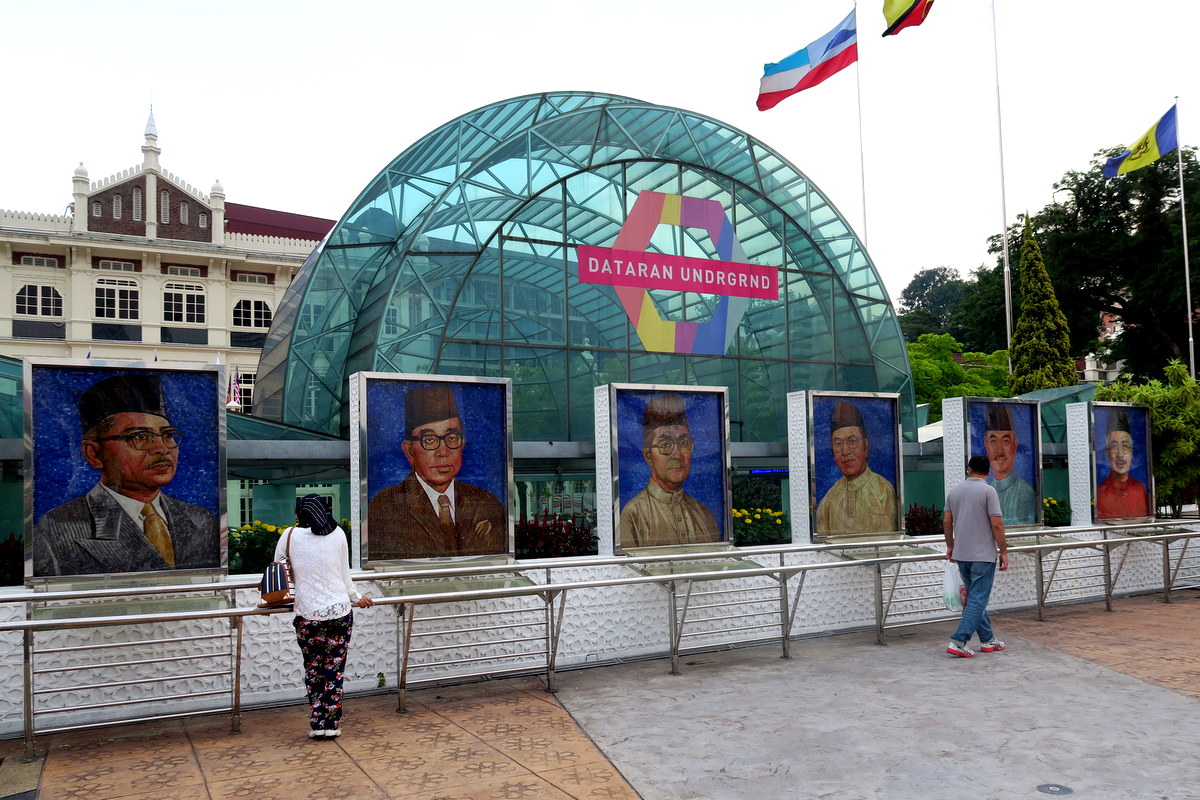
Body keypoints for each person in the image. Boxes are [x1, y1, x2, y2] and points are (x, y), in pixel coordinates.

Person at [33, 373, 219, 577]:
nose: (162, 448)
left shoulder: (200, 519)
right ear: (94, 454)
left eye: (167, 435)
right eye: (139, 436)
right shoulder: (59, 526)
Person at [367, 384, 506, 559]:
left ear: (462, 444)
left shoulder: (487, 502)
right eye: (429, 440)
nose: (443, 452)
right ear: (410, 451)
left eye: (452, 438)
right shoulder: (385, 506)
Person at [279, 494, 373, 739]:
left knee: (313, 669)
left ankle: (317, 724)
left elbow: (278, 566)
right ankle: (332, 725)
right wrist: (356, 597)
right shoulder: (338, 533)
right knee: (334, 669)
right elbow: (344, 574)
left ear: (300, 514)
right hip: (339, 612)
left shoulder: (289, 535)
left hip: (307, 613)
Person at [620, 393, 721, 548]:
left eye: (684, 443)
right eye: (665, 445)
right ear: (648, 456)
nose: (677, 454)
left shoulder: (703, 513)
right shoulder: (634, 514)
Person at [943, 454, 1009, 657]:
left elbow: (946, 522)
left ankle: (988, 640)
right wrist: (1004, 551)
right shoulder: (989, 491)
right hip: (983, 556)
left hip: (962, 555)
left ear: (969, 469)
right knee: (978, 600)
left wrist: (950, 545)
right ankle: (958, 641)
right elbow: (997, 525)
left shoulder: (954, 491)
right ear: (988, 472)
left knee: (974, 599)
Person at [815, 401, 899, 536]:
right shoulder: (828, 502)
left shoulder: (884, 491)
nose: (845, 451)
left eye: (852, 441)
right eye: (838, 444)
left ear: (866, 446)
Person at [982, 404, 1036, 525]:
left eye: (1005, 441)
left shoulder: (1025, 491)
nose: (999, 450)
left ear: (1015, 446)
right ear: (986, 445)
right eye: (993, 441)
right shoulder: (986, 489)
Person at [1096, 409, 1150, 519]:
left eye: (1125, 446)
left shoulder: (1140, 489)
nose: (1120, 454)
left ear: (1132, 453)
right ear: (1107, 454)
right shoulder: (1100, 493)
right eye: (1114, 447)